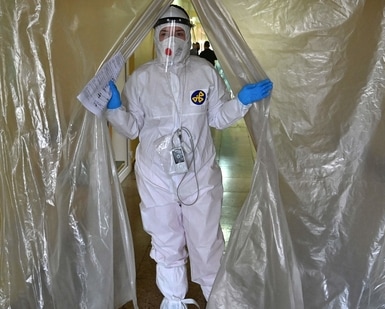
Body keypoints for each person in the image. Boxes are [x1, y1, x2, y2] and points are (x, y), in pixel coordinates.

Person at [105, 4, 273, 309]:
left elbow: (219, 118)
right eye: (166, 33)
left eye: (179, 32)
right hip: (155, 175)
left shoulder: (204, 73)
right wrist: (116, 107)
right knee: (166, 239)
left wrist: (241, 101)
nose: (172, 40)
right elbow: (131, 129)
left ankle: (217, 297)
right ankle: (173, 299)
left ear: (188, 35)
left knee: (207, 239)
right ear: (156, 36)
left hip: (199, 174)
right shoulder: (141, 80)